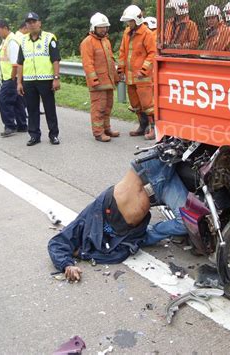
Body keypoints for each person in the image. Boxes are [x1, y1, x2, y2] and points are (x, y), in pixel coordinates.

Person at [48, 152, 189, 281]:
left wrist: (66, 265)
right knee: (186, 221)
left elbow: (56, 243)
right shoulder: (112, 249)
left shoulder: (83, 225)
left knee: (177, 145)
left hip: (144, 174)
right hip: (160, 189)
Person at [17, 12, 61, 146]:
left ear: (39, 23)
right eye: (29, 22)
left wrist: (56, 78)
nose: (31, 24)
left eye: (34, 21)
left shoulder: (49, 38)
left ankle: (53, 135)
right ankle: (34, 135)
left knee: (49, 108)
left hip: (46, 79)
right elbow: (20, 62)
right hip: (29, 80)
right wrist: (19, 82)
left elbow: (55, 60)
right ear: (26, 25)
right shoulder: (23, 40)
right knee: (32, 109)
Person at [118, 5, 157, 140]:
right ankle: (142, 126)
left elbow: (152, 54)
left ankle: (154, 129)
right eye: (127, 21)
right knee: (136, 104)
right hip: (130, 77)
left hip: (143, 77)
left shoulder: (147, 33)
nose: (128, 24)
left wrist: (144, 70)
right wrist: (120, 70)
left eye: (130, 21)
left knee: (148, 104)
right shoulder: (127, 32)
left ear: (137, 20)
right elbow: (123, 52)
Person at [80, 12, 120, 142]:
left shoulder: (106, 41)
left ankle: (106, 128)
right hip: (97, 83)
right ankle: (98, 132)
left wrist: (115, 77)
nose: (103, 29)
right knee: (99, 108)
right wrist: (94, 80)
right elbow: (88, 63)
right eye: (100, 27)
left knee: (108, 107)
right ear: (94, 28)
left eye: (105, 27)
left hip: (108, 81)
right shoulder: (87, 42)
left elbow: (111, 61)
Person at [0, 19, 27, 137]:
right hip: (12, 77)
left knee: (4, 100)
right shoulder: (6, 40)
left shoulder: (11, 41)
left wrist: (12, 78)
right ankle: (22, 125)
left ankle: (9, 126)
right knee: (17, 101)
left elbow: (15, 63)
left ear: (5, 28)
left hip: (11, 78)